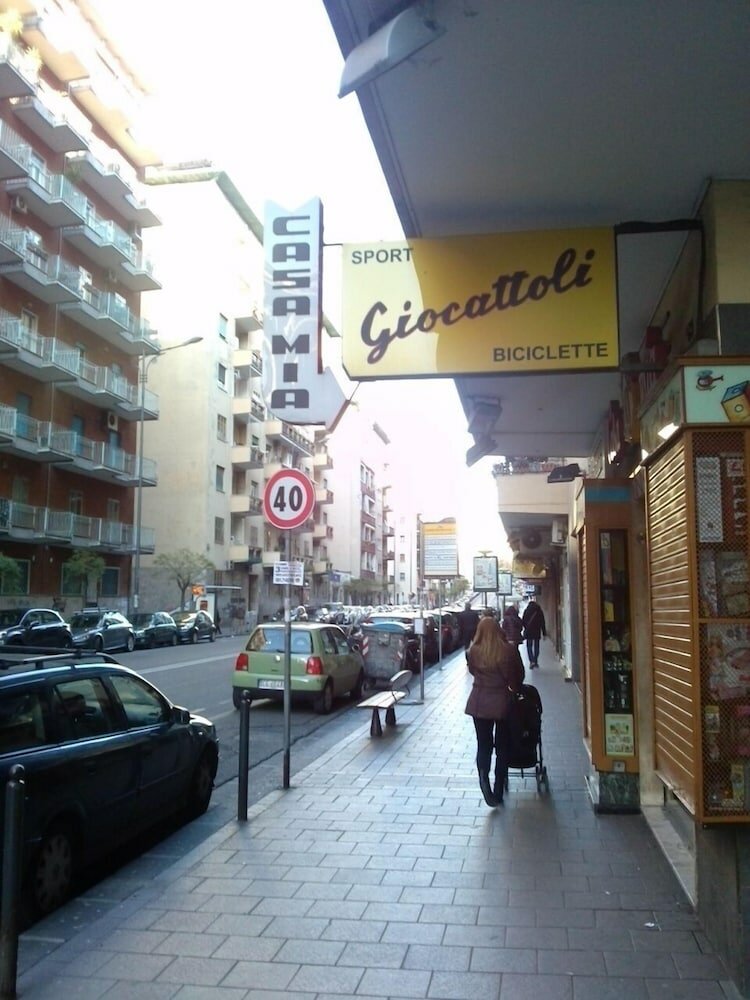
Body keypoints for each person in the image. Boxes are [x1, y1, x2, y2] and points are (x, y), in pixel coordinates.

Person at [465, 616, 525, 806]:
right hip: (502, 703)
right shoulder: (508, 650)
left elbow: (473, 671)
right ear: (498, 629)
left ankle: (484, 780)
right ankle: (498, 788)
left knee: (483, 744)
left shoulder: (473, 650)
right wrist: (513, 688)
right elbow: (518, 675)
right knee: (502, 746)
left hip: (479, 703)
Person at [522, 597, 546, 669]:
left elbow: (523, 621)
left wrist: (526, 627)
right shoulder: (539, 611)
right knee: (536, 646)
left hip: (529, 631)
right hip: (537, 631)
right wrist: (544, 633)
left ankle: (531, 661)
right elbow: (542, 622)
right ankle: (535, 661)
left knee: (529, 646)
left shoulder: (526, 611)